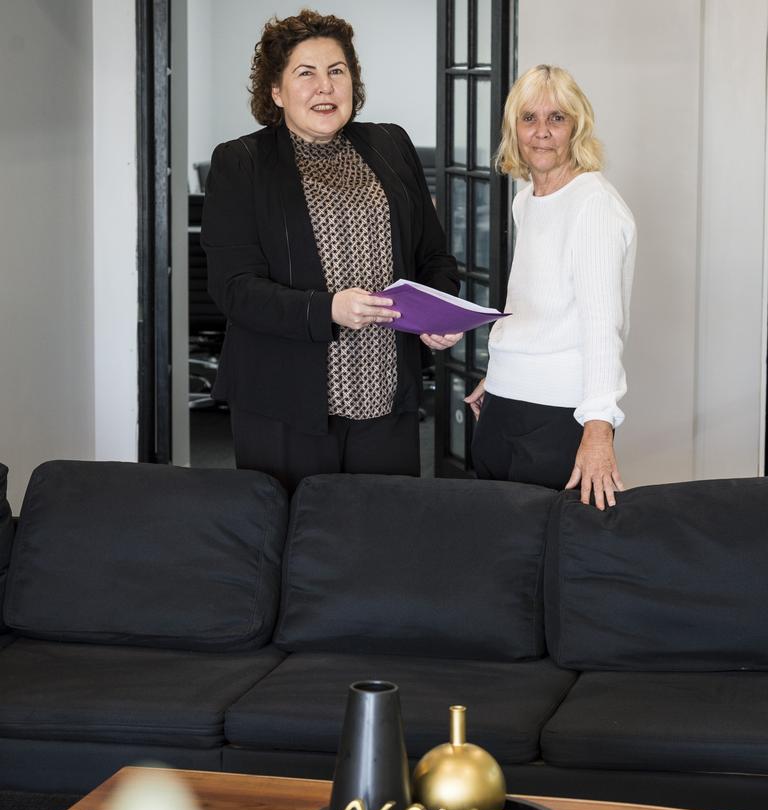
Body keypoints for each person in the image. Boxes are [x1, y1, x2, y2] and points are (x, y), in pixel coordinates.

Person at [202, 8, 461, 492]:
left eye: (336, 71)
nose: (325, 86)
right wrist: (328, 309)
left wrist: (439, 313)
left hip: (387, 392)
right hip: (285, 400)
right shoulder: (241, 163)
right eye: (306, 73)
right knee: (288, 539)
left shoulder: (391, 143)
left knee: (381, 534)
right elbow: (234, 289)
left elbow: (434, 257)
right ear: (276, 91)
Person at [465, 64, 636, 510]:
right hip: (504, 402)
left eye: (556, 118)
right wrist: (500, 370)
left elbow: (603, 326)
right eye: (529, 118)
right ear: (513, 128)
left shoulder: (594, 205)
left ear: (576, 127)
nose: (542, 131)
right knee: (497, 544)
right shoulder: (528, 199)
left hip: (559, 415)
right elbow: (539, 304)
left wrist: (599, 428)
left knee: (551, 553)